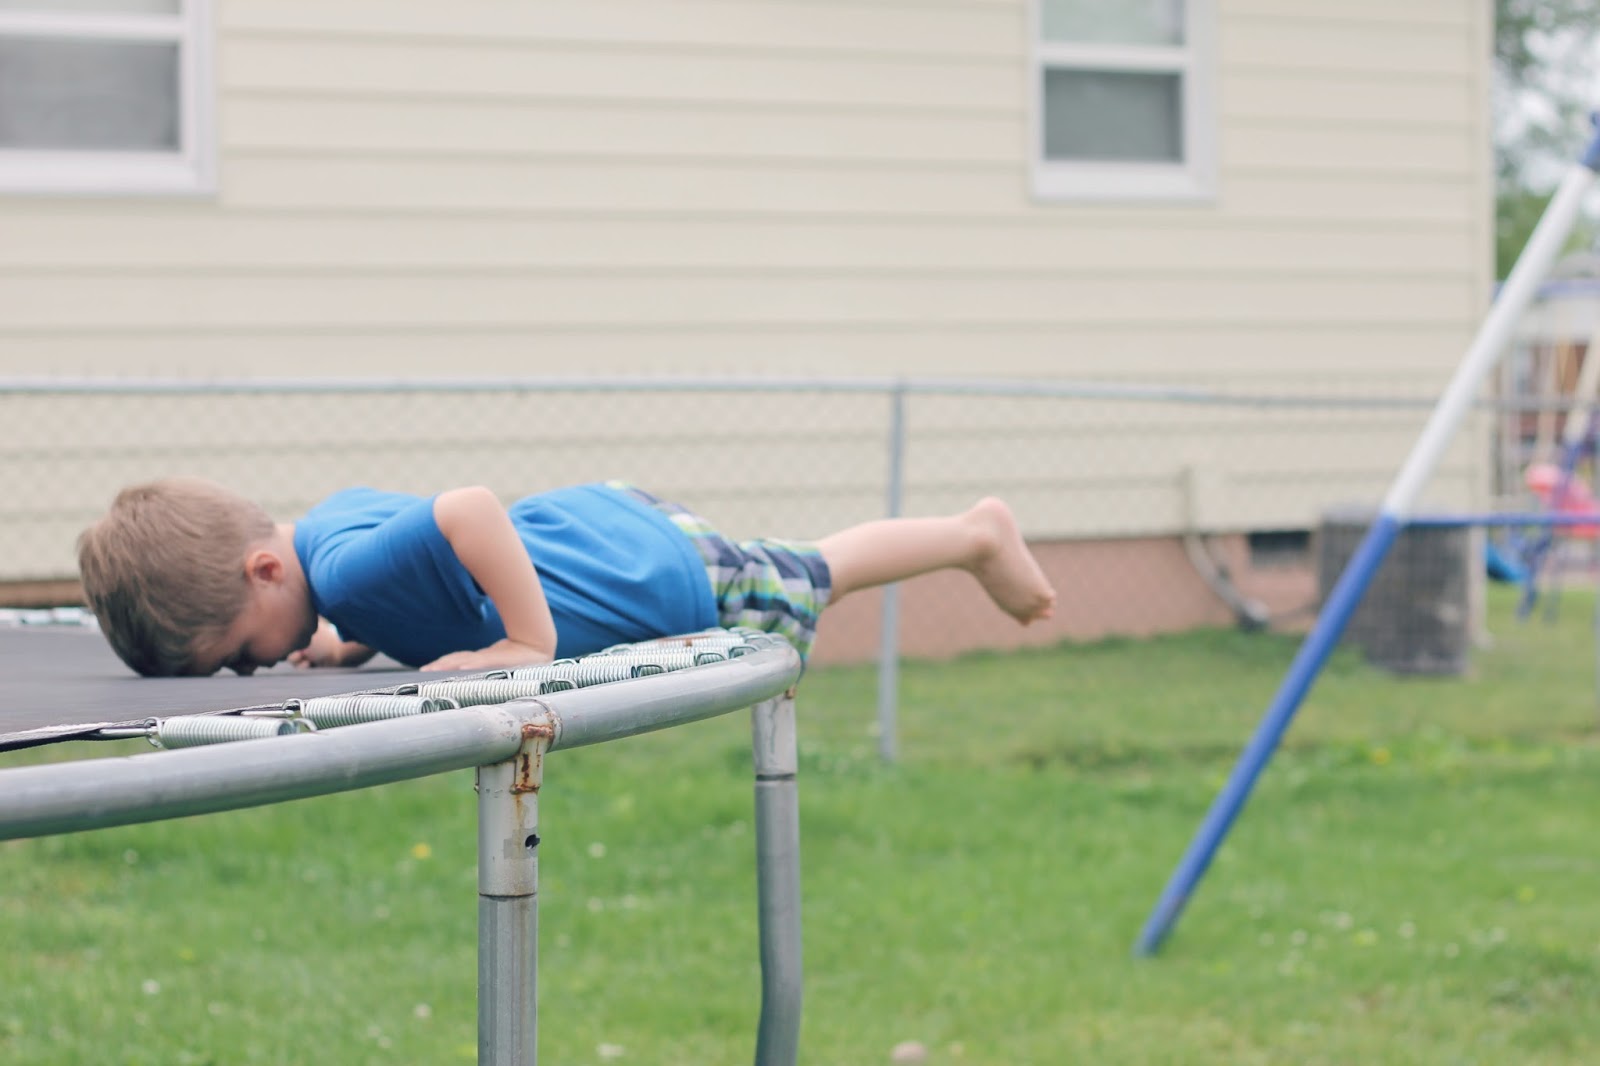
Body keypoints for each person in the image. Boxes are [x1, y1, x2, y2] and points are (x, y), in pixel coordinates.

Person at [76, 478, 1057, 677]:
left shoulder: (341, 564)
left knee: (819, 569)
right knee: (810, 558)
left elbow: (467, 511)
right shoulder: (332, 552)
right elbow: (420, 575)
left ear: (263, 571)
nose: (250, 670)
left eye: (237, 654)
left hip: (644, 575)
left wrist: (525, 643)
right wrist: (346, 643)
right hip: (609, 527)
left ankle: (973, 535)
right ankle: (969, 534)